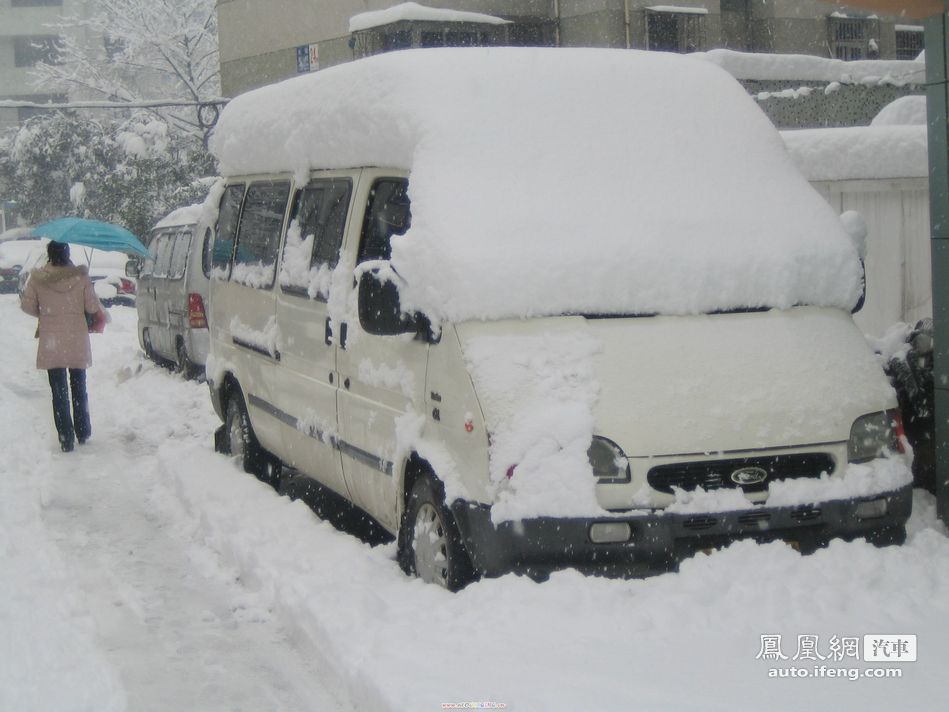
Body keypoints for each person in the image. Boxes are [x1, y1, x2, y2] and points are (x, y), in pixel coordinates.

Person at [20, 240, 104, 452]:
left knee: (58, 390)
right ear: (67, 253)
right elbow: (92, 306)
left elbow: (27, 305)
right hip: (76, 338)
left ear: (49, 254)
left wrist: (45, 312)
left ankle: (66, 437)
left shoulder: (38, 278)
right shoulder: (81, 276)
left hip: (52, 340)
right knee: (79, 385)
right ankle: (83, 430)